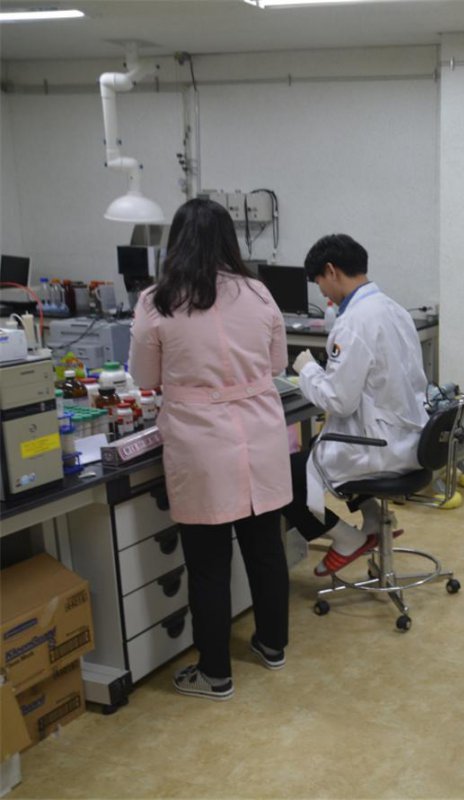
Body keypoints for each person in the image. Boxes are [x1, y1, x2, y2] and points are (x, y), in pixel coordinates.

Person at [130, 198, 291, 701]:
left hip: (200, 442)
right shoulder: (259, 293)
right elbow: (278, 362)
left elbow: (142, 377)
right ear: (229, 240)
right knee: (266, 549)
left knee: (207, 561)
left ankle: (215, 672)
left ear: (176, 241)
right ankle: (272, 644)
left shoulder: (158, 301)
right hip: (259, 434)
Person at [286, 233, 428, 576]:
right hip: (412, 439)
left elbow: (339, 401)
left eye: (319, 281)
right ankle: (376, 518)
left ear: (331, 271)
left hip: (380, 447)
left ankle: (346, 538)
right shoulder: (394, 309)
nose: (321, 292)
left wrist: (307, 371)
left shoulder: (353, 322)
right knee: (323, 449)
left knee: (285, 476)